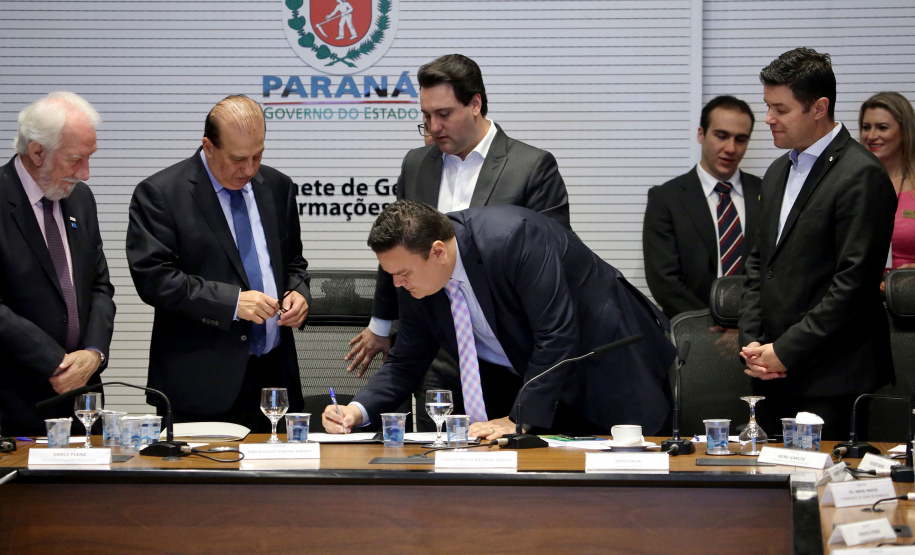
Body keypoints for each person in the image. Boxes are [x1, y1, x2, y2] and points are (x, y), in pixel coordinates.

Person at [345, 54, 573, 431]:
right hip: (441, 351)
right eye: (426, 116)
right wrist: (382, 323)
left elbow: (554, 266)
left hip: (515, 355)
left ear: (475, 104)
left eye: (444, 114)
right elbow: (398, 249)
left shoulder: (531, 167)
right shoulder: (417, 164)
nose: (433, 127)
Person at [324, 200, 675, 439]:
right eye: (391, 275)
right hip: (544, 386)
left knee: (632, 500)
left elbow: (557, 334)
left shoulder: (514, 238)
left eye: (402, 273)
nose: (396, 285)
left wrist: (518, 418)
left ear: (437, 252)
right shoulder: (417, 282)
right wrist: (357, 410)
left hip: (612, 364)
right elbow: (406, 361)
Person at [126, 95, 310, 432]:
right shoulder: (161, 194)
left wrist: (299, 293)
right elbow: (155, 279)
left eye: (258, 156)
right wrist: (233, 303)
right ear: (208, 147)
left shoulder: (277, 187)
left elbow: (294, 263)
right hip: (201, 384)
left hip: (274, 380)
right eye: (238, 159)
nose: (249, 169)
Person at [738, 48, 897, 439]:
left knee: (821, 497)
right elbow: (759, 266)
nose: (769, 119)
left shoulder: (861, 174)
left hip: (833, 379)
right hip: (771, 374)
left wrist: (785, 351)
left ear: (819, 107)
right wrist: (754, 343)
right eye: (768, 106)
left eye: (781, 109)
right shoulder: (777, 171)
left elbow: (854, 285)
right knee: (764, 494)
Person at [0, 92, 115, 436]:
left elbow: (100, 286)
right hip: (15, 404)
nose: (86, 174)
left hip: (83, 402)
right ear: (37, 152)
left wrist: (93, 354)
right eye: (76, 159)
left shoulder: (79, 198)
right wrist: (56, 361)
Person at [643, 95, 762, 318]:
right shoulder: (666, 198)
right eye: (721, 135)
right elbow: (664, 281)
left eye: (741, 139)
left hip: (757, 336)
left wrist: (750, 327)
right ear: (701, 134)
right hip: (693, 333)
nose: (731, 148)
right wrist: (711, 329)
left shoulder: (767, 194)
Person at [859, 92, 915, 276]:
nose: (871, 136)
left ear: (905, 131)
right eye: (866, 127)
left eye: (882, 127)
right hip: (861, 295)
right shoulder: (853, 184)